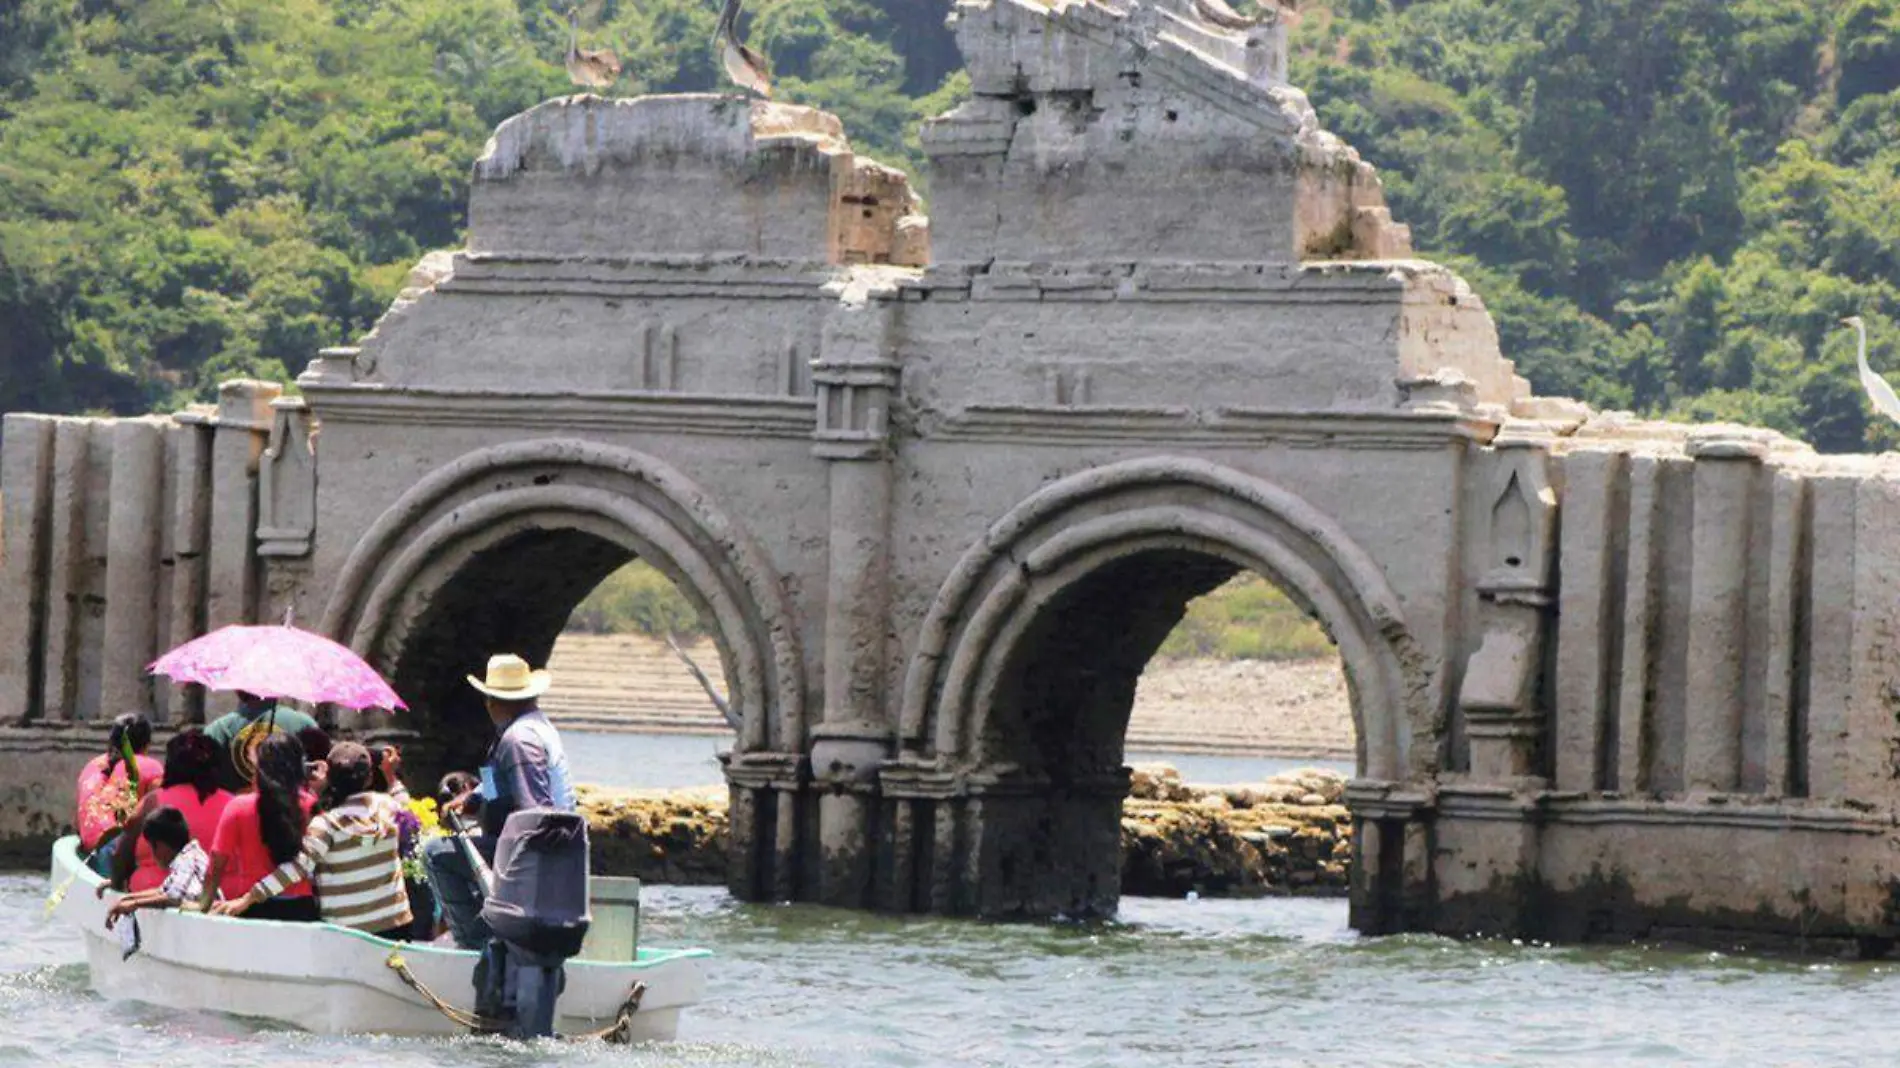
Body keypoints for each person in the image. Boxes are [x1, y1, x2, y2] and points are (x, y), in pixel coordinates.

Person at [421, 654, 575, 950]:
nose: (487, 706)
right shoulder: (526, 728)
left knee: (435, 854)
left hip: (542, 855)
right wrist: (470, 799)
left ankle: (474, 944)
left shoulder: (519, 741)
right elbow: (497, 784)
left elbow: (535, 811)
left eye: (488, 699)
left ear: (493, 701)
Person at [214, 743, 413, 939]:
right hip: (395, 922)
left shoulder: (326, 824)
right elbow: (405, 810)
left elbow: (296, 869)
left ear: (330, 779)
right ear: (369, 777)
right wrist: (390, 774)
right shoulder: (389, 807)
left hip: (346, 931)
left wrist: (248, 898)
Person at [202, 732, 318, 920]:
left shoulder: (238, 807)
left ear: (259, 767)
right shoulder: (312, 805)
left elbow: (216, 863)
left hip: (251, 907)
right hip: (301, 907)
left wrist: (204, 903)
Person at [112, 728, 232, 894]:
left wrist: (115, 888)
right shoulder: (232, 804)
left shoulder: (152, 802)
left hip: (147, 899)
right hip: (214, 903)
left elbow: (121, 855)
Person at [76, 712, 164, 876]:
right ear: (147, 744)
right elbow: (162, 814)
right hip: (114, 851)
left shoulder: (92, 766)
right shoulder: (149, 767)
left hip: (89, 847)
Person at [104, 807, 211, 928]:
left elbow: (173, 897)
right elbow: (163, 891)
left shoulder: (187, 858)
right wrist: (126, 899)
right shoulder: (187, 856)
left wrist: (134, 904)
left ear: (159, 846)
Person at [203, 691, 319, 792]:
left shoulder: (216, 730)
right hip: (291, 814)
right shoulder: (304, 725)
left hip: (232, 814)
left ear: (237, 689)